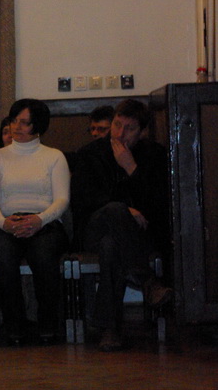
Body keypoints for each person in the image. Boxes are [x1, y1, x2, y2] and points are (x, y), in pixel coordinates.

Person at [72, 99, 171, 351]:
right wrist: (125, 210)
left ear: (142, 132)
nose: (119, 133)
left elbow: (159, 205)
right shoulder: (89, 154)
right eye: (117, 124)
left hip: (136, 235)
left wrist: (131, 168)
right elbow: (83, 200)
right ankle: (147, 280)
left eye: (129, 128)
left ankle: (110, 328)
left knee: (111, 246)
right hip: (94, 228)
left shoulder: (155, 155)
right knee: (115, 211)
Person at [0, 100, 70, 345]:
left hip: (46, 223)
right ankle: (14, 325)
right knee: (1, 254)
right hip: (8, 223)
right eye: (14, 121)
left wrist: (39, 220)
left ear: (38, 126)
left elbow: (62, 199)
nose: (16, 127)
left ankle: (48, 322)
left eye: (24, 123)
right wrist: (4, 223)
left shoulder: (54, 157)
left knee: (43, 255)